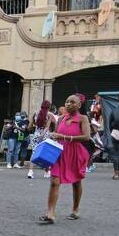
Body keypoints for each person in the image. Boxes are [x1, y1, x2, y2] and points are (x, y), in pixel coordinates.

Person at [40, 94, 91, 223]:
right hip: (60, 153)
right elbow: (57, 136)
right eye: (67, 101)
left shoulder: (83, 118)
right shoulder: (61, 118)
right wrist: (52, 138)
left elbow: (86, 137)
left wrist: (65, 137)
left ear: (79, 105)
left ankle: (75, 209)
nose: (68, 104)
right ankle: (50, 214)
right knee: (54, 182)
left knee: (76, 181)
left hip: (76, 154)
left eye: (72, 102)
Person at [27, 100, 56, 179]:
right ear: (49, 107)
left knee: (34, 153)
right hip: (45, 136)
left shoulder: (35, 113)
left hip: (36, 135)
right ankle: (46, 172)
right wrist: (43, 134)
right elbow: (47, 127)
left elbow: (29, 126)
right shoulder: (49, 114)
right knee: (45, 154)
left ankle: (30, 172)